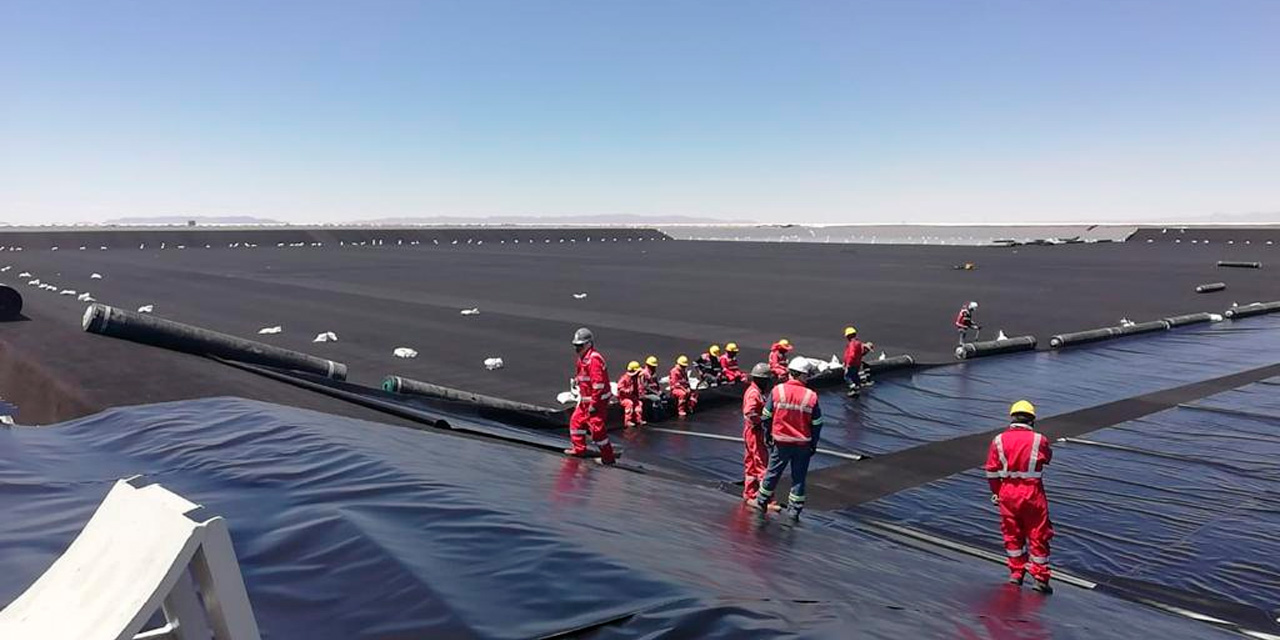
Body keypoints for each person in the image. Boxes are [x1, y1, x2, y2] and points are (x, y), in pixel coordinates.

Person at [986, 400, 1054, 594]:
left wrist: (996, 492)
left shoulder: (998, 440)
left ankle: (1016, 574)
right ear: (1032, 420)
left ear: (1012, 418)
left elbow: (991, 470)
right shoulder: (1039, 440)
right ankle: (1040, 578)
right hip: (1032, 493)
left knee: (1012, 533)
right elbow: (1047, 458)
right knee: (1038, 534)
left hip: (1007, 493)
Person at [753, 358, 824, 520]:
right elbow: (817, 423)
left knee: (772, 473)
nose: (807, 379)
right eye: (806, 376)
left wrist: (768, 435)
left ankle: (762, 502)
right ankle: (794, 511)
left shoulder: (778, 391)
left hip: (781, 442)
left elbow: (766, 416)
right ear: (799, 375)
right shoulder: (810, 396)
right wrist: (813, 444)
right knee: (798, 478)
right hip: (802, 445)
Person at [566, 328, 617, 465]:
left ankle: (608, 457)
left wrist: (594, 404)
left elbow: (598, 385)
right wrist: (577, 380)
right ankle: (579, 449)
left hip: (596, 402)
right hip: (585, 400)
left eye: (580, 346)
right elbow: (582, 375)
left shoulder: (594, 359)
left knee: (597, 431)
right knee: (576, 422)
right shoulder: (582, 359)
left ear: (588, 344)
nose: (577, 348)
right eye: (576, 346)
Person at [741, 363, 774, 503]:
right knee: (762, 464)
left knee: (751, 463)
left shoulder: (755, 392)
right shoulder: (754, 394)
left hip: (751, 431)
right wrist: (762, 420)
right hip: (755, 432)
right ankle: (767, 499)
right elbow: (749, 412)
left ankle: (750, 493)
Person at [842, 327, 875, 397]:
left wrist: (847, 365)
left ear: (849, 336)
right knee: (855, 375)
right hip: (857, 363)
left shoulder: (852, 344)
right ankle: (857, 388)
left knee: (847, 376)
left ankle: (853, 388)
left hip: (852, 364)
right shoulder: (858, 343)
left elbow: (851, 355)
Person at [616, 361, 646, 428]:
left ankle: (638, 419)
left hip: (631, 396)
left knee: (639, 403)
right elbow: (619, 387)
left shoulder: (635, 378)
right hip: (623, 398)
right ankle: (627, 421)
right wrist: (626, 390)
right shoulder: (624, 378)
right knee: (629, 403)